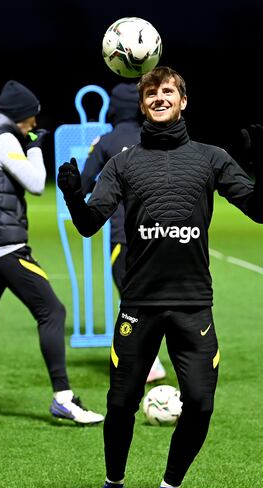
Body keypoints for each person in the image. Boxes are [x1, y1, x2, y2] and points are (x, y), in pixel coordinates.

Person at [57, 66, 263, 488]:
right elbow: (88, 223)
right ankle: (113, 486)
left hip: (193, 302)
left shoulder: (210, 158)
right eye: (151, 92)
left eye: (168, 91)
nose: (159, 97)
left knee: (200, 401)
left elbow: (260, 210)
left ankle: (169, 487)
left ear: (183, 100)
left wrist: (262, 164)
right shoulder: (124, 162)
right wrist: (74, 196)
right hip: (138, 303)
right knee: (120, 402)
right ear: (142, 104)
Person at [0, 80, 104, 425]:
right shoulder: (5, 138)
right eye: (32, 120)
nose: (35, 126)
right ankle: (64, 398)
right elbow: (37, 184)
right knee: (52, 311)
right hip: (6, 247)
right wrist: (38, 148)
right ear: (20, 116)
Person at [80, 82, 167, 383]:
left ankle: (146, 362)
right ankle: (167, 357)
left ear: (113, 108)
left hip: (123, 234)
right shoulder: (158, 138)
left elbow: (83, 183)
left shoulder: (105, 142)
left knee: (131, 299)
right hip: (164, 233)